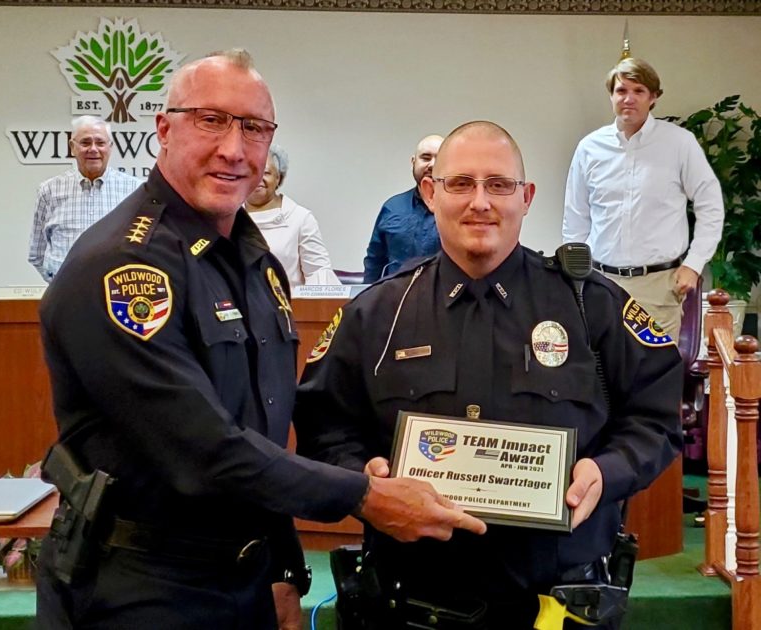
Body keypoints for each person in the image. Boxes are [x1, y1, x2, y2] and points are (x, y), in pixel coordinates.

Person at [36, 50, 485, 630]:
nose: (234, 148)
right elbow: (207, 450)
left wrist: (283, 572)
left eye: (254, 128)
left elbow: (262, 434)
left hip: (240, 580)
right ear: (164, 131)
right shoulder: (123, 267)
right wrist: (363, 496)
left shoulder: (254, 263)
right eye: (211, 120)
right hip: (138, 586)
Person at [295, 121, 683, 629]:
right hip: (409, 602)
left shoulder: (592, 305)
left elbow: (655, 417)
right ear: (431, 193)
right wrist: (364, 481)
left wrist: (607, 471)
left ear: (526, 197)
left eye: (499, 185)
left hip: (559, 606)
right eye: (461, 184)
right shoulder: (378, 313)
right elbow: (324, 424)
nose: (481, 201)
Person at [563, 57, 724, 340]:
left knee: (656, 377)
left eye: (638, 91)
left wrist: (693, 263)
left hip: (658, 286)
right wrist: (577, 277)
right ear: (611, 96)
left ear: (653, 98)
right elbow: (576, 218)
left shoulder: (678, 143)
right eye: (621, 90)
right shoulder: (589, 148)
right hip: (602, 283)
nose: (629, 99)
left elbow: (711, 205)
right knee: (601, 376)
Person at [27, 115, 142, 282]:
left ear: (110, 147)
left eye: (100, 143)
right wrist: (59, 283)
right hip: (66, 295)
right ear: (73, 147)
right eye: (85, 143)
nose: (93, 149)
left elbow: (142, 248)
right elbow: (36, 254)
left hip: (116, 296)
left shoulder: (135, 190)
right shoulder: (49, 191)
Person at [246, 144, 340, 288]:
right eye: (251, 172)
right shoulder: (226, 216)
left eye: (265, 173)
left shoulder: (300, 218)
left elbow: (318, 272)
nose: (258, 178)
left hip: (289, 307)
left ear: (278, 177)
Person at [363, 134, 444, 282]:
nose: (432, 164)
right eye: (426, 158)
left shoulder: (460, 209)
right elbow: (375, 261)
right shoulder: (392, 207)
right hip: (396, 300)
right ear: (413, 162)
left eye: (439, 159)